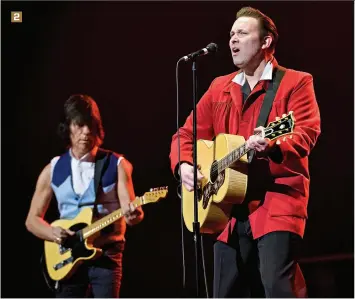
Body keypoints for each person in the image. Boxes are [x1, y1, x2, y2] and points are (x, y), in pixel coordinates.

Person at [169, 6, 321, 298]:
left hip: (277, 203)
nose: (232, 40)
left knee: (276, 287)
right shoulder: (219, 88)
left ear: (266, 42)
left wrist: (274, 145)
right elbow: (185, 134)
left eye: (242, 33)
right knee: (224, 293)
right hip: (227, 209)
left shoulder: (296, 82)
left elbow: (306, 132)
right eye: (231, 34)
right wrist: (184, 165)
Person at [25, 94, 144, 298]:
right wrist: (53, 233)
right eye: (80, 125)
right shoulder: (52, 170)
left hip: (106, 255)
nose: (86, 132)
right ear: (67, 127)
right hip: (67, 258)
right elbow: (32, 220)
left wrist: (134, 215)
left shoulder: (117, 164)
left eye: (91, 125)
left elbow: (131, 210)